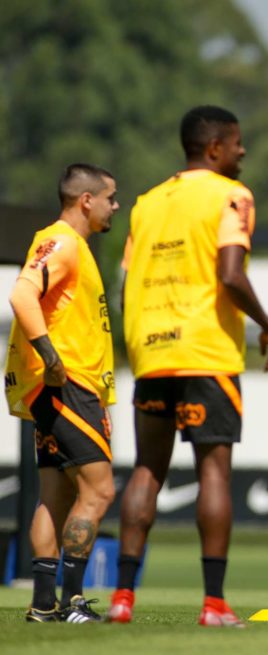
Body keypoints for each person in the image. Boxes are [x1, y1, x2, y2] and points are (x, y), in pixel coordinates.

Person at [106, 105, 268, 627]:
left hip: (152, 352)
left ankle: (121, 600)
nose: (242, 152)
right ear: (214, 149)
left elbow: (126, 282)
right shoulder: (232, 194)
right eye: (236, 143)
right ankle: (213, 604)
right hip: (206, 353)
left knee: (146, 470)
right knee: (214, 471)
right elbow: (230, 274)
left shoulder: (146, 203)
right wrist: (267, 324)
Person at [5, 164, 119, 623]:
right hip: (67, 387)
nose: (115, 206)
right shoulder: (63, 242)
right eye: (111, 197)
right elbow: (21, 295)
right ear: (86, 200)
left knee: (53, 496)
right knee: (99, 491)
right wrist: (52, 359)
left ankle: (42, 604)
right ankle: (72, 601)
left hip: (61, 390)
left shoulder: (79, 249)